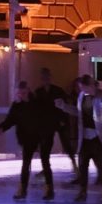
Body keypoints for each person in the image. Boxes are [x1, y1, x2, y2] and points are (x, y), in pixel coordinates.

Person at [0, 80, 50, 201]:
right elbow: (11, 119)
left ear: (28, 90)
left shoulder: (37, 103)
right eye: (19, 93)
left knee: (45, 163)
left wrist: (45, 134)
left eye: (23, 92)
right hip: (26, 139)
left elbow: (44, 118)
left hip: (40, 137)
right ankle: (22, 189)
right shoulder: (17, 106)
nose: (21, 95)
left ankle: (49, 188)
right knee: (26, 164)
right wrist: (2, 127)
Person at [73, 75, 102, 204]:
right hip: (84, 137)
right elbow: (78, 113)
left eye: (83, 87)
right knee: (83, 166)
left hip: (96, 137)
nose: (82, 89)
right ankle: (82, 192)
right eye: (80, 87)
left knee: (100, 165)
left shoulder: (101, 96)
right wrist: (63, 107)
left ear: (90, 85)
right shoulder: (81, 97)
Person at [28, 68, 65, 197]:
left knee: (45, 157)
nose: (45, 79)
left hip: (50, 127)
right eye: (43, 77)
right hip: (42, 127)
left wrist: (60, 120)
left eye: (46, 77)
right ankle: (49, 187)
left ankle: (49, 188)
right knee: (44, 157)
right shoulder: (38, 92)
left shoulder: (57, 91)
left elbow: (62, 107)